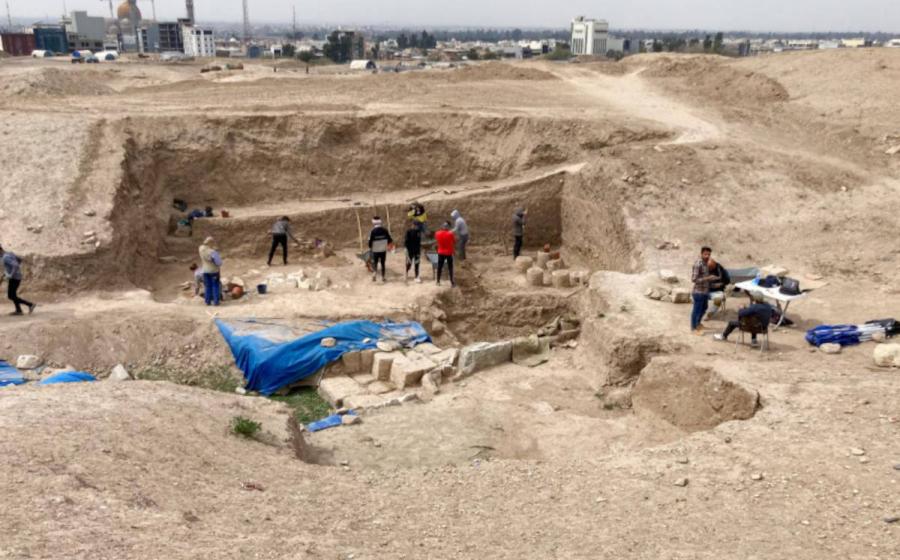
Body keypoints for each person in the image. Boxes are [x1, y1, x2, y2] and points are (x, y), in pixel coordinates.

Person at [690, 246, 719, 334]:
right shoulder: (698, 264)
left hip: (705, 291)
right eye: (705, 254)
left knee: (704, 308)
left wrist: (712, 281)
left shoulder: (706, 264)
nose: (707, 256)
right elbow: (694, 279)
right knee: (696, 310)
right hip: (698, 292)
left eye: (709, 254)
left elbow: (704, 277)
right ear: (701, 254)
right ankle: (694, 328)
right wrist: (708, 278)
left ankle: (698, 324)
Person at [0, 245, 36, 316]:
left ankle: (30, 304)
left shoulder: (5, 257)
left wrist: (11, 274)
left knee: (11, 296)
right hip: (17, 277)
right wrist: (14, 271)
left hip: (14, 278)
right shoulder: (10, 253)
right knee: (13, 295)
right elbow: (20, 259)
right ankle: (19, 310)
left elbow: (15, 265)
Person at [368, 216, 393, 283]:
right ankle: (383, 277)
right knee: (383, 263)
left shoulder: (373, 231)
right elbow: (390, 240)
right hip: (383, 249)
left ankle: (374, 274)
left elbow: (370, 241)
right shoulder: (385, 230)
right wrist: (388, 246)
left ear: (373, 223)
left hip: (375, 250)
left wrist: (370, 247)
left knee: (375, 262)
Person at [198, 237, 222, 306]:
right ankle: (216, 301)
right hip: (214, 271)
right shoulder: (213, 252)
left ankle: (207, 301)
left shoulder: (200, 249)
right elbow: (219, 263)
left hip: (205, 270)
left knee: (208, 286)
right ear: (211, 243)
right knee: (215, 285)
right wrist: (216, 253)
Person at [434, 222, 456, 287]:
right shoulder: (450, 234)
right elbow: (454, 242)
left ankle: (438, 281)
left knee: (439, 267)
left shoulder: (437, 233)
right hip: (448, 253)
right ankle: (452, 282)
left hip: (440, 252)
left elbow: (436, 240)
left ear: (442, 226)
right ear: (448, 227)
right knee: (450, 268)